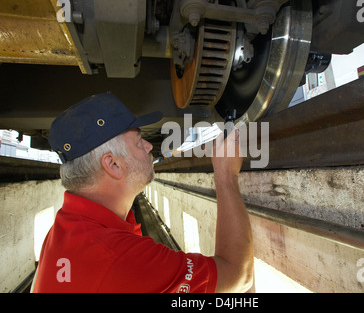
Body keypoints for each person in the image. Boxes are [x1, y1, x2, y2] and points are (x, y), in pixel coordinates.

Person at [32, 92, 253, 293]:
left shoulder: (62, 232)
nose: (149, 146)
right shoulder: (121, 258)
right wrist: (226, 175)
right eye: (139, 142)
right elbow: (238, 276)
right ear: (113, 165)